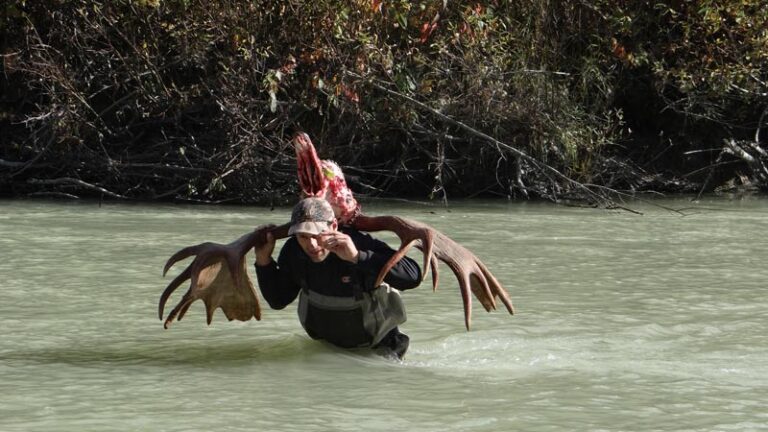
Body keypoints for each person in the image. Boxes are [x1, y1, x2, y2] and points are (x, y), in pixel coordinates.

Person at [254, 197, 422, 359]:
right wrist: (263, 261)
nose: (311, 245)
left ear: (333, 226)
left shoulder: (358, 243)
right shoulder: (294, 251)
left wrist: (358, 257)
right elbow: (278, 301)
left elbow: (413, 277)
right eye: (303, 236)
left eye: (317, 234)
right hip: (327, 352)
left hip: (380, 352)